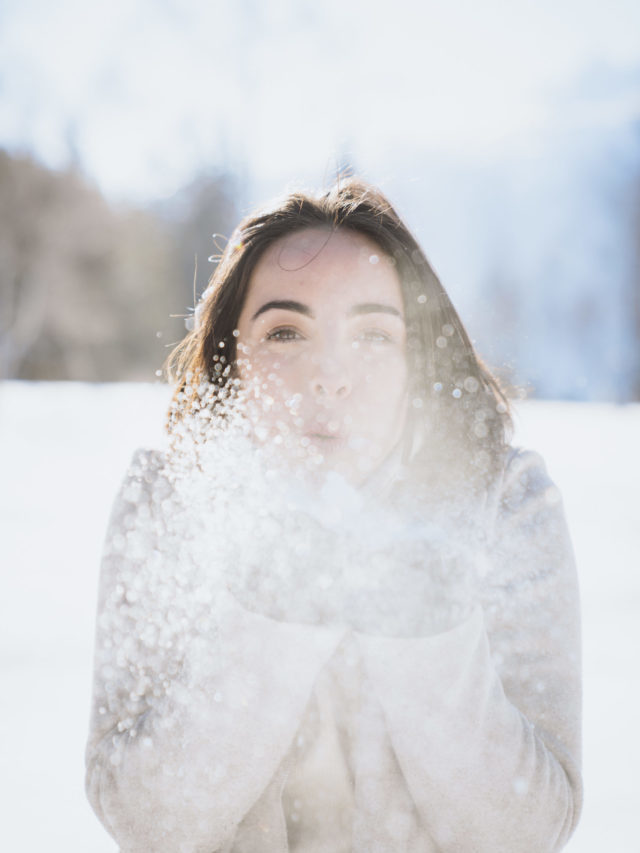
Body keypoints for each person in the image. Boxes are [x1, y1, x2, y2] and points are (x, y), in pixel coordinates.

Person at [85, 179, 582, 852]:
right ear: (233, 356)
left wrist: (423, 623)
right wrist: (273, 612)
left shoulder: (505, 506)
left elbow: (527, 830)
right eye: (286, 331)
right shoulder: (171, 499)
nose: (329, 374)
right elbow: (146, 822)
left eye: (374, 334)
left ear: (418, 356)